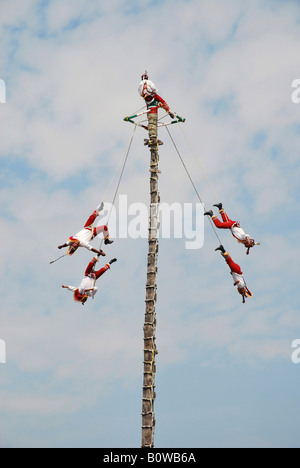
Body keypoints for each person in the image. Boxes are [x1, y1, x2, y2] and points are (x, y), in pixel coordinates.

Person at [138, 72, 175, 145]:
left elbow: (140, 93)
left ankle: (168, 112)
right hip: (152, 96)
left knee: (149, 110)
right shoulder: (149, 82)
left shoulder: (139, 85)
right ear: (147, 78)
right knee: (162, 102)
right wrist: (153, 92)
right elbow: (154, 89)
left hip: (146, 99)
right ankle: (169, 111)